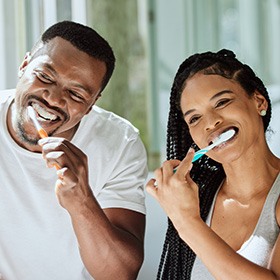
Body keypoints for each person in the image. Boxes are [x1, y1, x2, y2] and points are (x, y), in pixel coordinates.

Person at [0, 21, 148, 280]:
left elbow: (120, 274)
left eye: (76, 94)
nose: (54, 99)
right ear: (24, 66)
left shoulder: (120, 143)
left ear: (91, 105)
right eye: (45, 77)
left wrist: (81, 201)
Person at [146, 49, 280, 279]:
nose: (210, 123)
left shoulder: (187, 214)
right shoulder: (198, 199)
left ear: (259, 101)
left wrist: (186, 221)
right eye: (195, 118)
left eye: (222, 102)